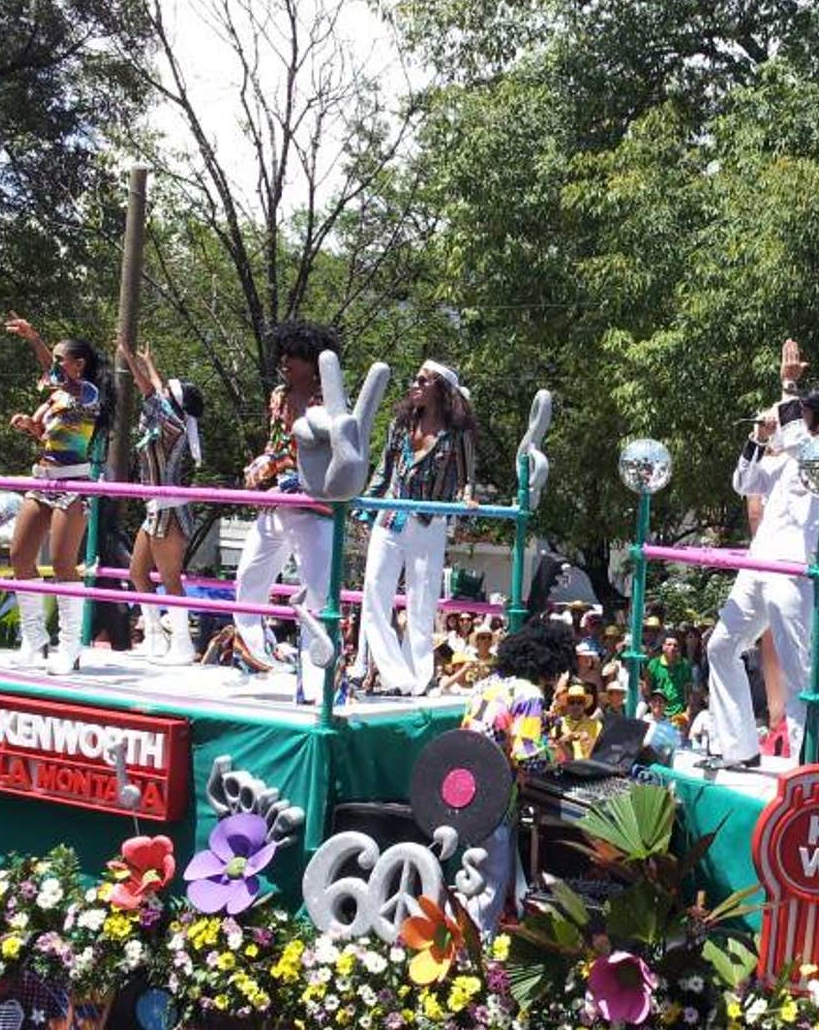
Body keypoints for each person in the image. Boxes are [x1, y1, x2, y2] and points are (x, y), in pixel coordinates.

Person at [704, 339, 819, 765]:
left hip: (792, 571)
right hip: (759, 565)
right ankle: (738, 748)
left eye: (802, 412)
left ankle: (815, 760)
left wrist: (788, 386)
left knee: (798, 670)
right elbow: (744, 483)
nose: (791, 419)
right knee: (720, 648)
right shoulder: (786, 458)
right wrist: (757, 436)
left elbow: (798, 439)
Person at [357, 360, 479, 694]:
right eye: (415, 379)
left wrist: (466, 503)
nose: (415, 384)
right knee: (374, 597)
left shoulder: (457, 434)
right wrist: (366, 507)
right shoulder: (401, 424)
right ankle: (394, 676)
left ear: (440, 388)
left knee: (421, 603)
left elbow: (466, 479)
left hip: (428, 522)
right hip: (392, 517)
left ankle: (418, 677)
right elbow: (384, 470)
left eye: (423, 380)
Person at [231, 321, 340, 681]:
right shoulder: (278, 395)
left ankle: (316, 676)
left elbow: (322, 455)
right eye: (282, 354)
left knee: (317, 593)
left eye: (293, 354)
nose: (285, 361)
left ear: (312, 359)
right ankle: (252, 655)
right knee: (248, 576)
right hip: (275, 504)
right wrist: (261, 467)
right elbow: (276, 446)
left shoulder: (330, 400)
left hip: (314, 507)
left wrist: (276, 468)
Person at [3, 316, 111, 674]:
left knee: (65, 563)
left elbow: (58, 376)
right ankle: (34, 640)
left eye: (62, 358)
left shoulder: (89, 393)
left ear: (78, 365)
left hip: (72, 482)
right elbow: (43, 433)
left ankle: (70, 647)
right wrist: (27, 424)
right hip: (42, 478)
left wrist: (34, 337)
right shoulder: (55, 398)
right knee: (20, 556)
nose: (57, 365)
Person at [460, 620, 569, 933]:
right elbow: (528, 758)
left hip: (464, 785)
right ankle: (477, 955)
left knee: (474, 873)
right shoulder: (529, 693)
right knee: (491, 877)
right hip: (495, 791)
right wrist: (557, 754)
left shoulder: (486, 684)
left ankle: (471, 941)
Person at [118, 342, 203, 665]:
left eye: (167, 393)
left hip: (170, 508)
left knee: (170, 578)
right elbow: (156, 389)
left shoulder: (173, 426)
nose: (160, 392)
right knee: (137, 572)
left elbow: (151, 392)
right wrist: (149, 362)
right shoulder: (166, 420)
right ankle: (154, 635)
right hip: (154, 506)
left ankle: (183, 645)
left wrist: (130, 360)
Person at [646, 634, 695, 719]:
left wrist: (687, 712)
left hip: (679, 713)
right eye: (669, 644)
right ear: (663, 647)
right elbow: (648, 689)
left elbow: (689, 690)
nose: (672, 647)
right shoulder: (654, 664)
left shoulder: (685, 665)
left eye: (675, 645)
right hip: (659, 712)